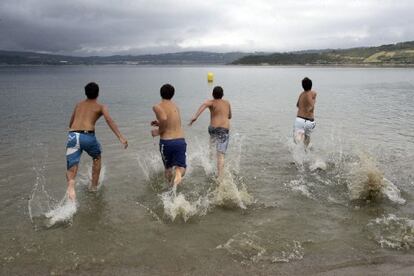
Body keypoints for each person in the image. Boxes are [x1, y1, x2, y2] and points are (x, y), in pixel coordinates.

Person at [66, 82, 128, 200]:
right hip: (87, 136)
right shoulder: (101, 107)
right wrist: (120, 137)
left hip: (73, 135)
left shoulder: (78, 105)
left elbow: (71, 123)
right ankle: (93, 187)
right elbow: (109, 121)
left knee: (72, 166)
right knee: (97, 157)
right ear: (98, 93)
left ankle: (71, 184)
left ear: (85, 93)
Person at [189, 86, 231, 178]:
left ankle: (209, 163)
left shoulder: (211, 102)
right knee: (220, 155)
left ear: (213, 94)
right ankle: (220, 178)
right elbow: (230, 116)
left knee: (211, 146)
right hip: (223, 130)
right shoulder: (227, 103)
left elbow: (203, 105)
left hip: (212, 128)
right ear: (222, 95)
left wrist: (195, 117)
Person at [151, 84, 187, 188]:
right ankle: (178, 175)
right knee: (181, 167)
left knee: (168, 168)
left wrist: (158, 131)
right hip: (180, 141)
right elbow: (175, 124)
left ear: (160, 93)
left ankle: (170, 190)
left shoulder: (157, 106)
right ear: (173, 94)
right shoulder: (176, 107)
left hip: (167, 142)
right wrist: (159, 124)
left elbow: (163, 118)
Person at [294, 77, 317, 148]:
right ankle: (307, 153)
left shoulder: (302, 94)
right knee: (307, 141)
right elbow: (311, 104)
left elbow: (297, 105)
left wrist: (305, 107)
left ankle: (298, 157)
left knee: (297, 141)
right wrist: (314, 99)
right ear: (311, 85)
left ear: (302, 86)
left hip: (300, 120)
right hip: (310, 122)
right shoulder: (312, 93)